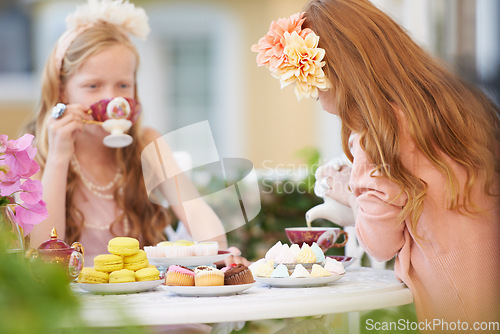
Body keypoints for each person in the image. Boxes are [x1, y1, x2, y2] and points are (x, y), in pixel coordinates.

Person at [252, 0, 500, 329]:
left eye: (306, 78)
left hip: (458, 303)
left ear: (337, 70)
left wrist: (348, 193)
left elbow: (381, 244)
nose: (307, 91)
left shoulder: (379, 134)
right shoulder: (455, 103)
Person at [26, 0, 249, 270]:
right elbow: (43, 250)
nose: (111, 99)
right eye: (93, 85)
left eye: (123, 85)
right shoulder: (36, 153)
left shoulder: (146, 143)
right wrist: (60, 156)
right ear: (62, 90)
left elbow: (196, 211)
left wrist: (218, 251)